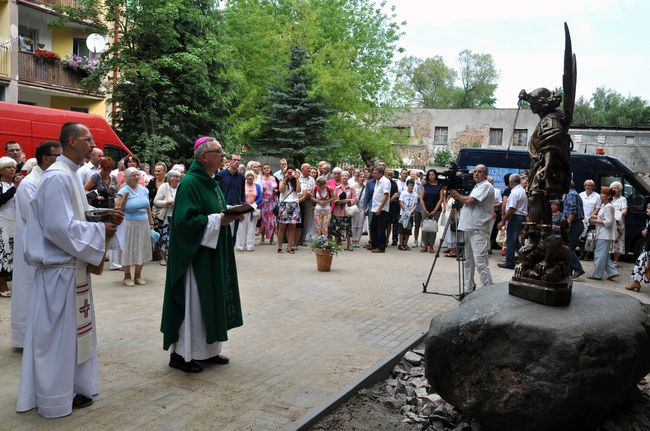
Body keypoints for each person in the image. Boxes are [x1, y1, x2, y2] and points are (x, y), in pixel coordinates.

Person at [17, 122, 122, 417]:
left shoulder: (72, 175)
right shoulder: (57, 178)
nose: (93, 145)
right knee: (55, 341)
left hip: (71, 270)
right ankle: (52, 397)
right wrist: (100, 231)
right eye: (89, 140)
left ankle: (74, 388)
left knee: (73, 337)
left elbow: (74, 217)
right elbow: (58, 228)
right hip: (57, 272)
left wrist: (100, 219)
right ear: (73, 141)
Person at [161, 137, 243, 373]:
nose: (223, 154)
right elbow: (184, 222)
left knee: (210, 300)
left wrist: (230, 213)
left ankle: (208, 351)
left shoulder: (211, 182)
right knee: (195, 304)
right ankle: (182, 354)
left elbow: (214, 211)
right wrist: (220, 218)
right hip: (194, 258)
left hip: (211, 253)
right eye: (218, 151)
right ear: (203, 156)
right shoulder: (190, 183)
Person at [11, 141, 61, 347]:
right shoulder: (30, 183)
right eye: (57, 156)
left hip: (46, 246)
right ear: (46, 158)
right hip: (33, 247)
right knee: (29, 290)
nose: (60, 159)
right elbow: (37, 217)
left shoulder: (51, 179)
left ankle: (44, 336)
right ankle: (26, 338)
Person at [449, 164, 495, 294]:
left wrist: (456, 195)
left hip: (478, 229)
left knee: (480, 263)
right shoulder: (477, 186)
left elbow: (470, 201)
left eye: (479, 172)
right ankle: (468, 289)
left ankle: (489, 292)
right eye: (475, 171)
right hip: (469, 228)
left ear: (486, 174)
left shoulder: (486, 186)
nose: (476, 174)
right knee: (468, 261)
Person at [117, 167, 154, 286]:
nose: (137, 177)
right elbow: (117, 207)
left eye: (138, 175)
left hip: (143, 223)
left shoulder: (144, 190)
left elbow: (148, 208)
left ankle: (138, 275)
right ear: (128, 177)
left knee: (141, 248)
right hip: (128, 223)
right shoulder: (123, 190)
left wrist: (151, 223)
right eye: (133, 175)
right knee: (128, 249)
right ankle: (127, 276)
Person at [587, 187, 619, 281]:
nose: (601, 194)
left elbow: (608, 222)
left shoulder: (608, 206)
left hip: (605, 234)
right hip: (603, 234)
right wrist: (595, 218)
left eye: (603, 193)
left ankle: (597, 274)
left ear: (608, 196)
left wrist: (595, 220)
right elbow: (605, 219)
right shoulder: (605, 205)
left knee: (599, 254)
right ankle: (613, 272)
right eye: (601, 193)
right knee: (603, 255)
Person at [497, 174, 528, 269]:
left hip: (515, 217)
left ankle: (510, 262)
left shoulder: (515, 192)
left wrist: (502, 221)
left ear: (511, 182)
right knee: (514, 241)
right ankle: (525, 257)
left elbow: (511, 209)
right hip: (520, 216)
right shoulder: (522, 190)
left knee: (510, 240)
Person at [0, 156, 19, 297]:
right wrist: (14, 189)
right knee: (3, 252)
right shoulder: (2, 185)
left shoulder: (17, 185)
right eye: (8, 167)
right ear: (1, 171)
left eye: (14, 167)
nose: (12, 169)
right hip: (2, 222)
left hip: (15, 221)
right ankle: (2, 284)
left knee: (13, 251)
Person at [153, 170, 181, 265]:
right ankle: (163, 258)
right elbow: (156, 201)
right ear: (170, 178)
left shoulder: (181, 187)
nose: (177, 179)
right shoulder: (164, 186)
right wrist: (166, 203)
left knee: (176, 237)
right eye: (175, 177)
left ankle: (174, 257)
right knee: (164, 237)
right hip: (166, 216)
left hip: (178, 216)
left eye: (178, 177)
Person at [217, 153, 245, 239]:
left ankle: (231, 252)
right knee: (223, 233)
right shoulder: (220, 175)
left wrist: (242, 209)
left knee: (234, 235)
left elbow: (242, 193)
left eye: (238, 160)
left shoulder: (241, 177)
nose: (236, 162)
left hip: (236, 208)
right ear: (229, 161)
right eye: (234, 160)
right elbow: (217, 192)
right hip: (224, 208)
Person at [563, 181, 585, 278]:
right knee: (570, 247)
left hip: (574, 224)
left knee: (567, 247)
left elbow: (572, 209)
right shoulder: (575, 193)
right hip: (577, 224)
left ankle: (578, 269)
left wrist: (568, 223)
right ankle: (569, 272)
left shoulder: (571, 194)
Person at [626, 203, 650, 292]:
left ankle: (636, 282)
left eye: (648, 209)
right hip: (647, 249)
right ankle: (636, 282)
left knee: (640, 264)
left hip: (648, 249)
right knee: (639, 265)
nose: (646, 210)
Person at [235, 170, 262, 251]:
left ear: (254, 177)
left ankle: (250, 246)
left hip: (253, 208)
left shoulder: (257, 186)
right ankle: (240, 246)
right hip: (243, 208)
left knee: (252, 228)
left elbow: (260, 197)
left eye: (251, 176)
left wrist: (254, 203)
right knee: (241, 228)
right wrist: (243, 204)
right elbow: (238, 195)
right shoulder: (242, 185)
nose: (250, 177)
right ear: (245, 177)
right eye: (248, 176)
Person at [276, 166, 301, 253]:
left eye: (292, 172)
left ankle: (289, 247)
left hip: (294, 204)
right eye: (289, 172)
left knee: (292, 227)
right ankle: (279, 246)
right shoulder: (282, 180)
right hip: (284, 204)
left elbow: (298, 190)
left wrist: (297, 179)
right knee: (282, 226)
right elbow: (281, 190)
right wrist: (285, 178)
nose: (290, 174)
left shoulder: (296, 181)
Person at [419, 169, 444, 253]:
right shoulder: (425, 186)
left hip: (436, 210)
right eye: (429, 175)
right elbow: (421, 198)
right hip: (425, 209)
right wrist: (424, 209)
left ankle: (431, 246)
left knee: (433, 228)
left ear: (435, 175)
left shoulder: (440, 186)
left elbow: (440, 199)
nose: (431, 176)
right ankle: (425, 245)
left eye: (432, 174)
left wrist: (434, 210)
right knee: (425, 227)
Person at [331, 171, 357, 251]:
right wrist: (337, 201)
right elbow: (333, 199)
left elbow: (355, 198)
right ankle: (337, 243)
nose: (344, 177)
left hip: (347, 211)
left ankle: (349, 244)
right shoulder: (337, 188)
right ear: (340, 177)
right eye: (343, 176)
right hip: (337, 210)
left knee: (348, 228)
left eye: (346, 176)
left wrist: (347, 201)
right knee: (337, 228)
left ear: (348, 177)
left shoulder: (351, 187)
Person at [368, 166, 391, 253]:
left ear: (380, 173)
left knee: (381, 229)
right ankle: (374, 244)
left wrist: (380, 208)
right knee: (373, 227)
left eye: (375, 173)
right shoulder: (377, 181)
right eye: (373, 173)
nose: (373, 174)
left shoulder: (385, 181)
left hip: (381, 209)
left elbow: (386, 196)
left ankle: (381, 247)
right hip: (375, 208)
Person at [578, 179, 601, 260]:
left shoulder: (597, 196)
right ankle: (581, 253)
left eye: (590, 185)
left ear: (593, 187)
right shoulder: (580, 195)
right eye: (586, 185)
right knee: (581, 237)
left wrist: (591, 216)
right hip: (581, 219)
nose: (588, 187)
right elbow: (578, 207)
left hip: (591, 219)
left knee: (589, 238)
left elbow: (598, 207)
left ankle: (587, 255)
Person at [609, 181, 628, 266]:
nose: (614, 189)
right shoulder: (609, 198)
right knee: (609, 241)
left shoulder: (622, 199)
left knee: (618, 241)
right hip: (609, 223)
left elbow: (625, 210)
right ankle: (608, 260)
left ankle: (615, 261)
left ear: (620, 189)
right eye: (612, 188)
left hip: (618, 224)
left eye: (616, 188)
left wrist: (617, 214)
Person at [297, 163, 315, 245]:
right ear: (302, 169)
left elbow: (313, 192)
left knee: (306, 221)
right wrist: (303, 194)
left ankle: (302, 240)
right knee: (297, 220)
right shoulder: (298, 178)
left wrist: (309, 194)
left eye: (310, 168)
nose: (310, 169)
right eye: (308, 168)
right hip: (299, 201)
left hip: (308, 201)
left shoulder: (312, 179)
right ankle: (296, 239)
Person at [398, 179, 418, 250]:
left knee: (408, 230)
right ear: (407, 185)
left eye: (412, 185)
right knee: (402, 230)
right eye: (410, 185)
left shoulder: (415, 194)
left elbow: (415, 204)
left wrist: (412, 211)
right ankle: (400, 244)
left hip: (410, 214)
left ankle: (405, 243)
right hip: (403, 214)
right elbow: (401, 202)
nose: (411, 187)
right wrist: (405, 210)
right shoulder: (403, 193)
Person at [350, 171, 366, 248]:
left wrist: (367, 208)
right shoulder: (353, 187)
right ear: (358, 178)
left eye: (363, 177)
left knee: (360, 225)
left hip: (362, 208)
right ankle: (353, 240)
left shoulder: (366, 187)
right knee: (353, 224)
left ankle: (357, 240)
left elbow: (368, 198)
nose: (362, 178)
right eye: (361, 177)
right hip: (354, 207)